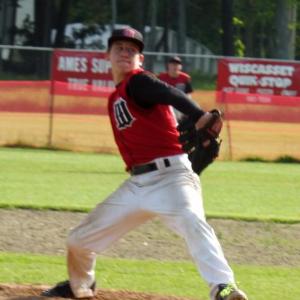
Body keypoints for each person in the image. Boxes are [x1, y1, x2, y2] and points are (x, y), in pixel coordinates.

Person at [41, 27, 248, 300]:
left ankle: (224, 287)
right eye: (119, 48)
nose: (125, 53)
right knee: (79, 240)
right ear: (108, 56)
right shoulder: (116, 96)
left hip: (172, 177)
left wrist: (198, 114)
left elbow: (168, 93)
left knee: (192, 222)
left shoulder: (138, 82)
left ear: (141, 60)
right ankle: (81, 285)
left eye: (132, 50)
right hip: (138, 183)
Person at [158, 56, 193, 121]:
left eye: (177, 64)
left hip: (179, 104)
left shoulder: (185, 78)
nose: (175, 66)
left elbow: (188, 95)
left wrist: (188, 107)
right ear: (168, 65)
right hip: (165, 104)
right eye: (173, 64)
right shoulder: (161, 77)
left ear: (180, 67)